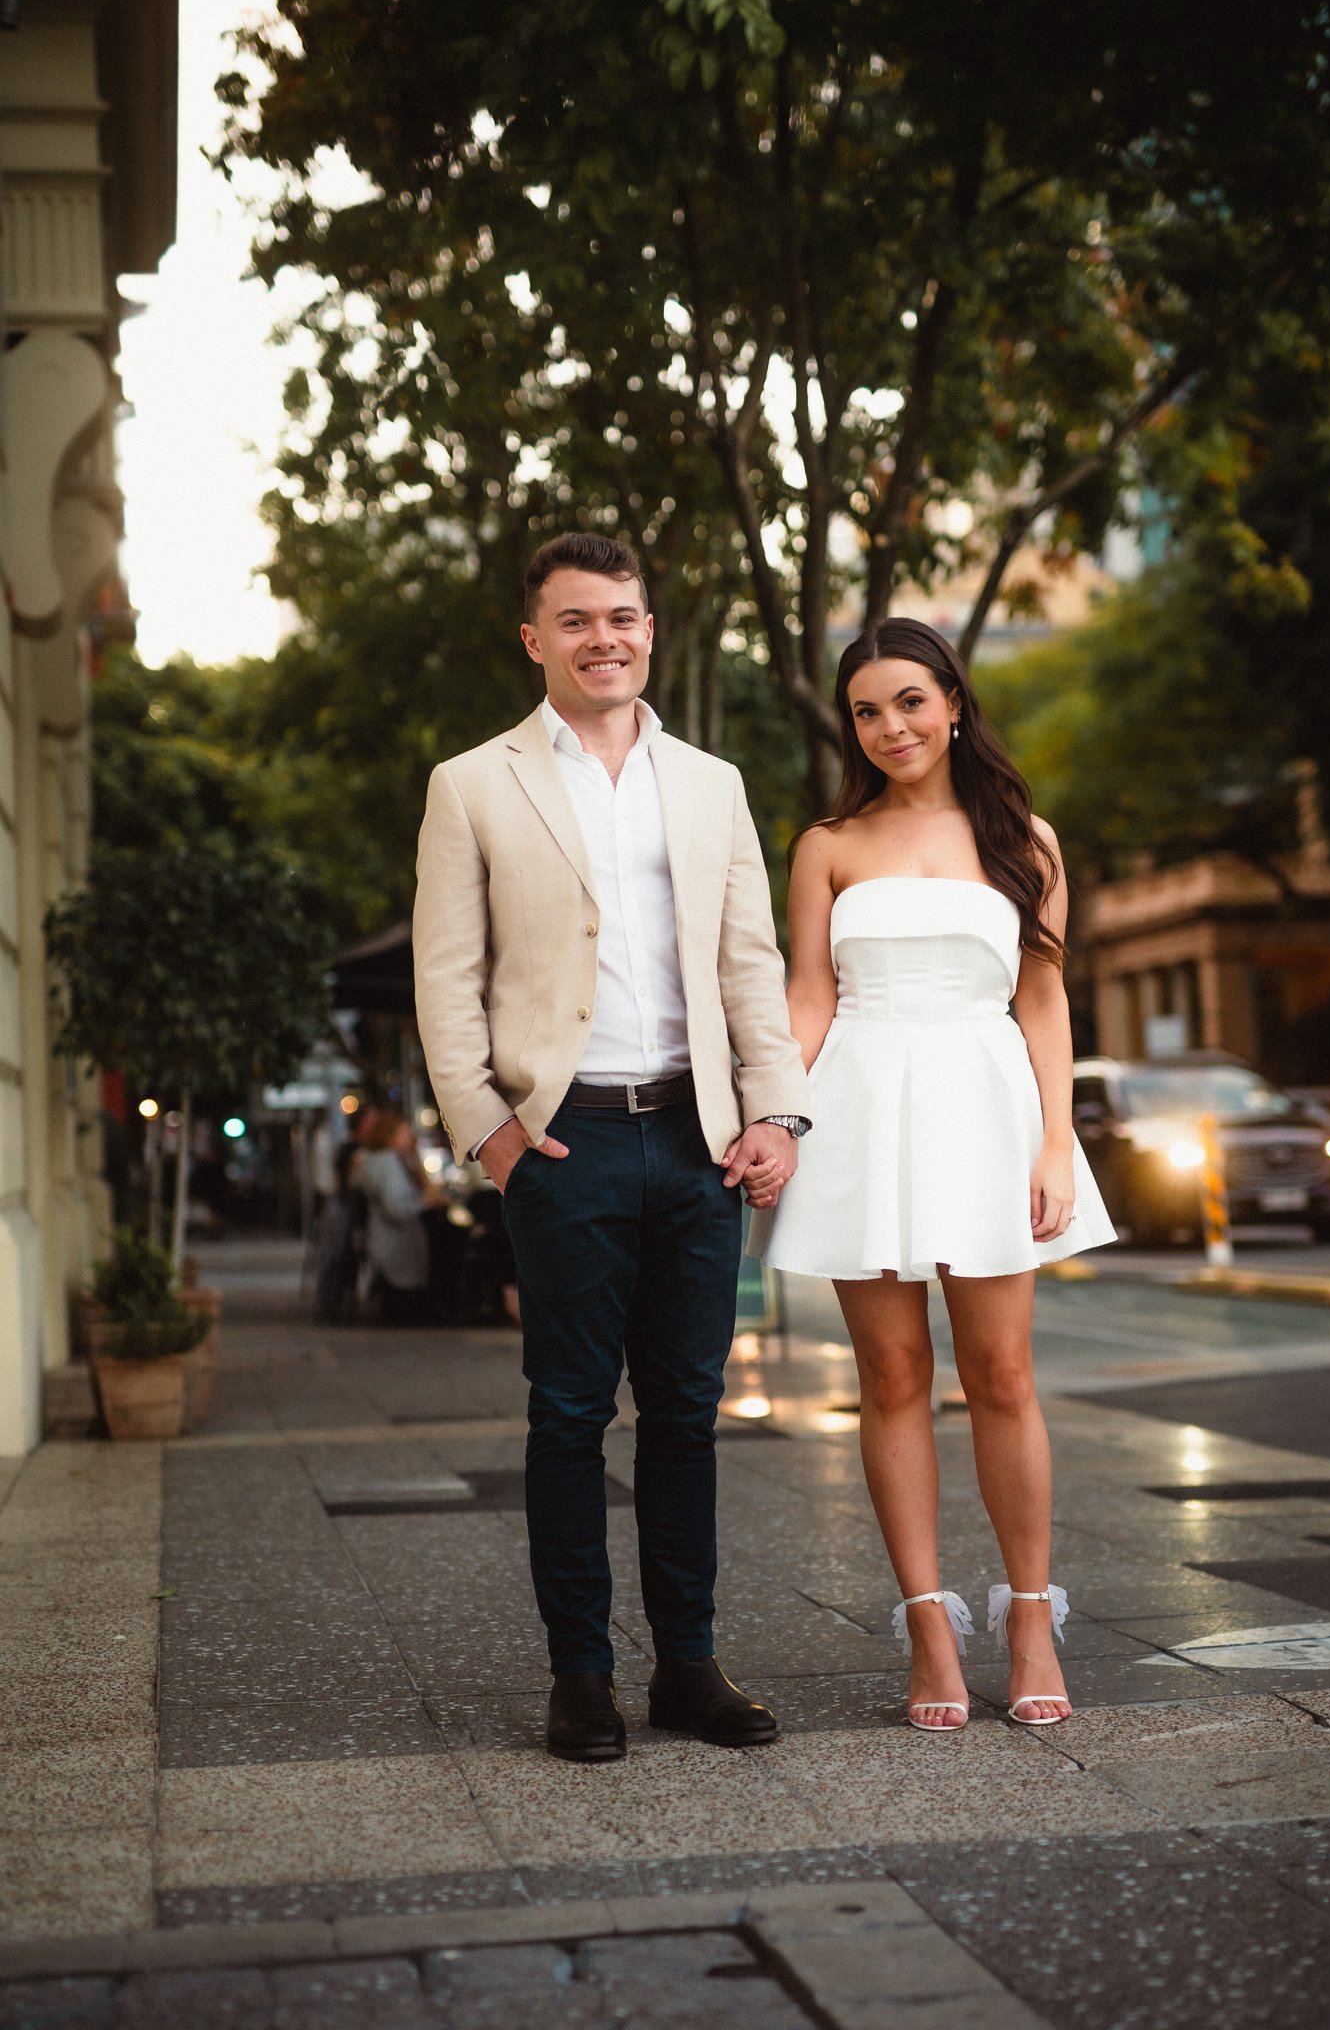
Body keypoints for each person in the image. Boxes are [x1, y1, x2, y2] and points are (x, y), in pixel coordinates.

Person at [412, 531, 810, 1764]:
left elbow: (752, 962)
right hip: (563, 1144)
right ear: (536, 639)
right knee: (569, 1415)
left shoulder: (713, 783)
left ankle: (688, 1665)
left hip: (697, 1143)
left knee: (689, 1412)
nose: (606, 639)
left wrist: (775, 1111)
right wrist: (492, 1135)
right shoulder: (472, 783)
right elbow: (448, 978)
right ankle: (581, 1676)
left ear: (652, 630)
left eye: (625, 618)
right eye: (578, 620)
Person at [754, 617, 1114, 1732]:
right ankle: (925, 1626)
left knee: (1001, 1374)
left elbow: (1044, 1000)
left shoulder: (1029, 840)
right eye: (867, 710)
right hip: (861, 1100)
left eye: (910, 700)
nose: (891, 726)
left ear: (954, 702)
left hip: (986, 1097)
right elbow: (808, 996)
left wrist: (1056, 1139)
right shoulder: (827, 844)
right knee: (894, 1377)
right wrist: (777, 1114)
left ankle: (1028, 1618)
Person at [353, 1107, 441, 1322]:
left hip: (383, 1237)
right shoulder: (387, 1163)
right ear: (389, 1135)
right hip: (395, 1240)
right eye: (404, 1133)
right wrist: (427, 1202)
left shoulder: (375, 1160)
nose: (410, 1139)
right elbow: (397, 1208)